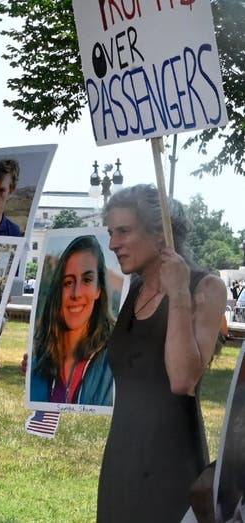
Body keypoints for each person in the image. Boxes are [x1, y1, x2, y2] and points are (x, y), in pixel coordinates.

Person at [96, 184, 226, 522]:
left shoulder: (206, 287)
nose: (113, 244)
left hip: (172, 470)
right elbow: (129, 363)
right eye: (111, 233)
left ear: (160, 233)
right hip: (121, 464)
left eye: (123, 231)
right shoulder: (133, 289)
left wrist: (179, 293)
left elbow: (182, 378)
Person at [30, 235, 115, 406]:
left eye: (87, 280)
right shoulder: (39, 362)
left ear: (99, 289)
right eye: (68, 282)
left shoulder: (114, 361)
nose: (76, 293)